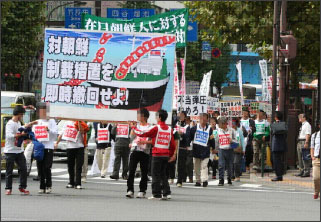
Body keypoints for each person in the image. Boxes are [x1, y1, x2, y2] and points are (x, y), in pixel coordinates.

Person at [132, 109, 176, 200]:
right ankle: (167, 193)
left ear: (159, 117)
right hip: (166, 154)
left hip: (157, 154)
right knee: (163, 174)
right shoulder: (169, 129)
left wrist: (134, 128)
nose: (155, 118)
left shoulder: (156, 127)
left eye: (156, 116)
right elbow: (172, 144)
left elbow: (143, 133)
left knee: (155, 174)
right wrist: (171, 155)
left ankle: (156, 194)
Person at [4, 105, 38, 195]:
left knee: (23, 169)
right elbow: (9, 136)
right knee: (9, 171)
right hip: (10, 151)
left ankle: (22, 187)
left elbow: (23, 127)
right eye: (22, 114)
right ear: (18, 114)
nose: (22, 116)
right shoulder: (10, 124)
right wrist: (21, 135)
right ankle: (8, 188)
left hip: (19, 151)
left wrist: (30, 124)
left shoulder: (19, 123)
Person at [32, 102, 58, 194]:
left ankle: (48, 185)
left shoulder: (52, 121)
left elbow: (55, 134)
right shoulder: (38, 121)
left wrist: (48, 130)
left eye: (44, 111)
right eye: (41, 111)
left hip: (48, 147)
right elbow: (34, 132)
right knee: (40, 167)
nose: (42, 113)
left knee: (47, 167)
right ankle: (42, 186)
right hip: (39, 147)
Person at [126, 109, 152, 198]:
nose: (137, 117)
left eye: (139, 115)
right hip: (135, 150)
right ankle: (130, 190)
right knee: (131, 170)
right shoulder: (136, 126)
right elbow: (132, 136)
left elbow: (149, 138)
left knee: (144, 172)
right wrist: (132, 129)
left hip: (145, 151)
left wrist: (144, 141)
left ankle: (142, 190)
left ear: (144, 116)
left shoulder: (150, 127)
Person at [55, 120, 89, 189]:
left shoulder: (81, 123)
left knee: (79, 166)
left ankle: (78, 183)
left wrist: (78, 122)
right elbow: (61, 134)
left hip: (80, 146)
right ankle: (71, 182)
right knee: (70, 165)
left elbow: (82, 131)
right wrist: (57, 143)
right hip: (70, 147)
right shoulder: (67, 123)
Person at [188, 113, 215, 187]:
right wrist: (187, 145)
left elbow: (212, 139)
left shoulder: (210, 129)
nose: (203, 120)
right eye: (202, 118)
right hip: (196, 150)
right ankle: (198, 180)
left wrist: (213, 148)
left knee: (204, 166)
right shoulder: (194, 128)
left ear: (207, 119)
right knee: (196, 167)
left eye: (205, 118)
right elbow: (189, 137)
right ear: (199, 119)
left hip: (206, 150)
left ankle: (204, 180)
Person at [215, 117, 238, 186]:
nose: (220, 126)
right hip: (221, 149)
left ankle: (229, 178)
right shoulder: (218, 131)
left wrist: (232, 141)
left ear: (225, 124)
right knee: (221, 165)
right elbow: (217, 141)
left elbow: (237, 141)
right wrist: (216, 150)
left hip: (230, 149)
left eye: (221, 124)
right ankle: (221, 180)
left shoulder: (232, 130)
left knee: (230, 165)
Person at [270, 111, 288, 182]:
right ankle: (280, 174)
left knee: (276, 161)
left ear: (275, 117)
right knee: (280, 160)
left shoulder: (275, 124)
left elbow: (273, 132)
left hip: (276, 145)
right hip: (282, 144)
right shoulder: (284, 124)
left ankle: (279, 176)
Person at [175, 111, 190, 187]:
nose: (180, 116)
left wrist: (182, 134)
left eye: (181, 115)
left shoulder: (187, 126)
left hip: (182, 147)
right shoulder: (175, 124)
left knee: (181, 164)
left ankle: (179, 180)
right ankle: (171, 176)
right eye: (179, 115)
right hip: (174, 146)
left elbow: (188, 137)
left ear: (185, 117)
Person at [240, 107, 256, 172]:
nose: (245, 114)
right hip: (240, 139)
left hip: (248, 139)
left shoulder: (251, 121)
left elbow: (254, 129)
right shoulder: (239, 121)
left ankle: (247, 165)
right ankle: (241, 166)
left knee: (248, 152)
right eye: (243, 113)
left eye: (246, 113)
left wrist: (251, 129)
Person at [232, 118, 246, 182]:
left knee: (236, 162)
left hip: (238, 149)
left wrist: (244, 149)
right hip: (230, 149)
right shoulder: (229, 130)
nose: (232, 125)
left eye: (234, 123)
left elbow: (242, 140)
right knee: (231, 163)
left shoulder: (239, 131)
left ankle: (237, 176)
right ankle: (232, 176)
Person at [310, 123, 320, 199]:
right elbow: (312, 147)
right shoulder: (315, 135)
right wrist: (312, 156)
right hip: (317, 159)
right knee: (316, 177)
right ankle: (317, 191)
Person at [185, 116, 194, 183]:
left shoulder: (193, 128)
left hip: (191, 147)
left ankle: (190, 177)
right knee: (183, 163)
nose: (187, 122)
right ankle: (184, 177)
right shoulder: (182, 126)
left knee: (189, 163)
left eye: (188, 120)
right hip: (184, 147)